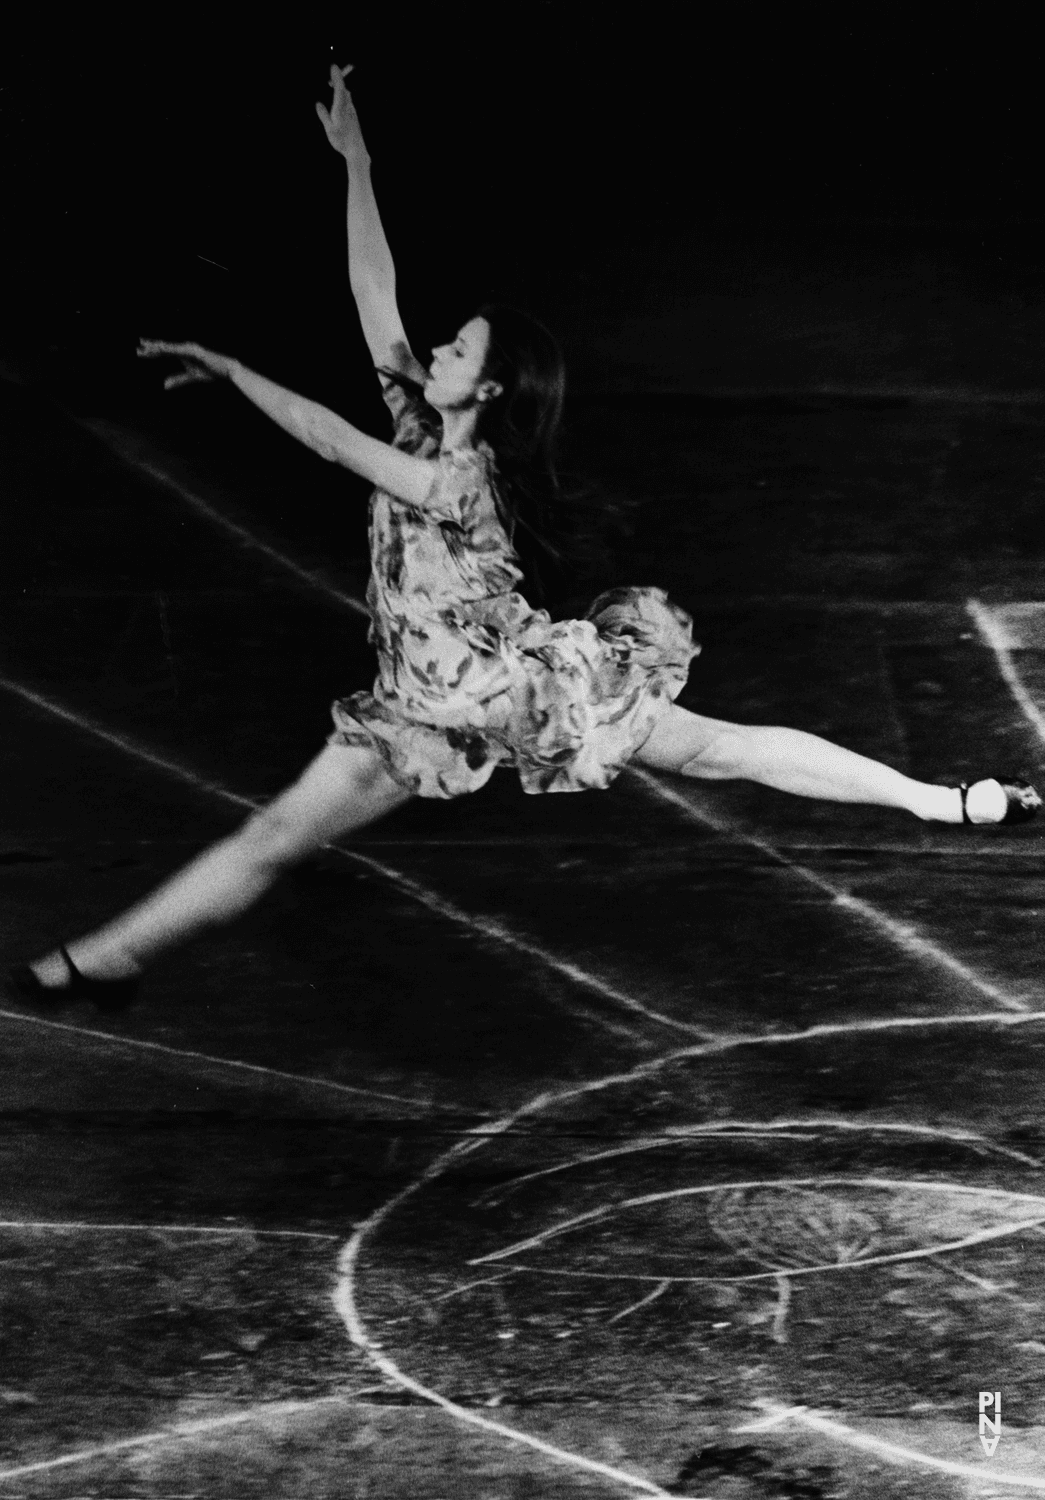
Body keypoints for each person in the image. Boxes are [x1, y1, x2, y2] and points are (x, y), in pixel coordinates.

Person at [8, 66, 1039, 1015]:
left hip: (521, 694)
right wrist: (356, 161)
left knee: (721, 751)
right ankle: (109, 959)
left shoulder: (456, 476)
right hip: (420, 711)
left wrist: (233, 370)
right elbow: (374, 295)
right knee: (273, 836)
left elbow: (326, 439)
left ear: (487, 389)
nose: (436, 351)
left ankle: (944, 802)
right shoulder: (423, 422)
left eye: (456, 349)